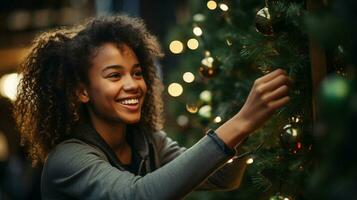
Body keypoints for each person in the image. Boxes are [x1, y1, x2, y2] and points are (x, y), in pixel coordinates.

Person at [13, 15, 292, 200]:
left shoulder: (147, 142)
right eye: (114, 75)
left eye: (136, 73)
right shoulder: (67, 160)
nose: (133, 84)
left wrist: (248, 127)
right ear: (82, 91)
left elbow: (223, 178)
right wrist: (241, 121)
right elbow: (141, 196)